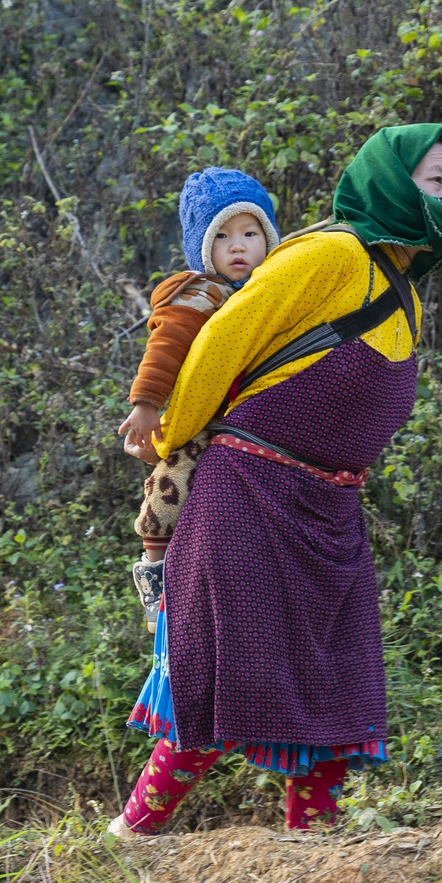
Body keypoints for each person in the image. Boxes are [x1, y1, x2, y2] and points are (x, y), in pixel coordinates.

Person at [110, 124, 442, 837]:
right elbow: (224, 336)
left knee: (337, 682)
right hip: (245, 491)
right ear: (390, 184)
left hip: (328, 508)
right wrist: (168, 432)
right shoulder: (333, 253)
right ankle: (133, 834)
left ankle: (316, 842)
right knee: (220, 669)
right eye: (434, 182)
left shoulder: (404, 292)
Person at [118, 167, 279, 629]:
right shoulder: (198, 293)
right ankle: (156, 573)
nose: (238, 246)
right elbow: (164, 349)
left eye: (251, 232)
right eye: (222, 236)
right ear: (202, 248)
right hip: (203, 416)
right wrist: (147, 404)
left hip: (249, 414)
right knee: (171, 482)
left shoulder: (272, 289)